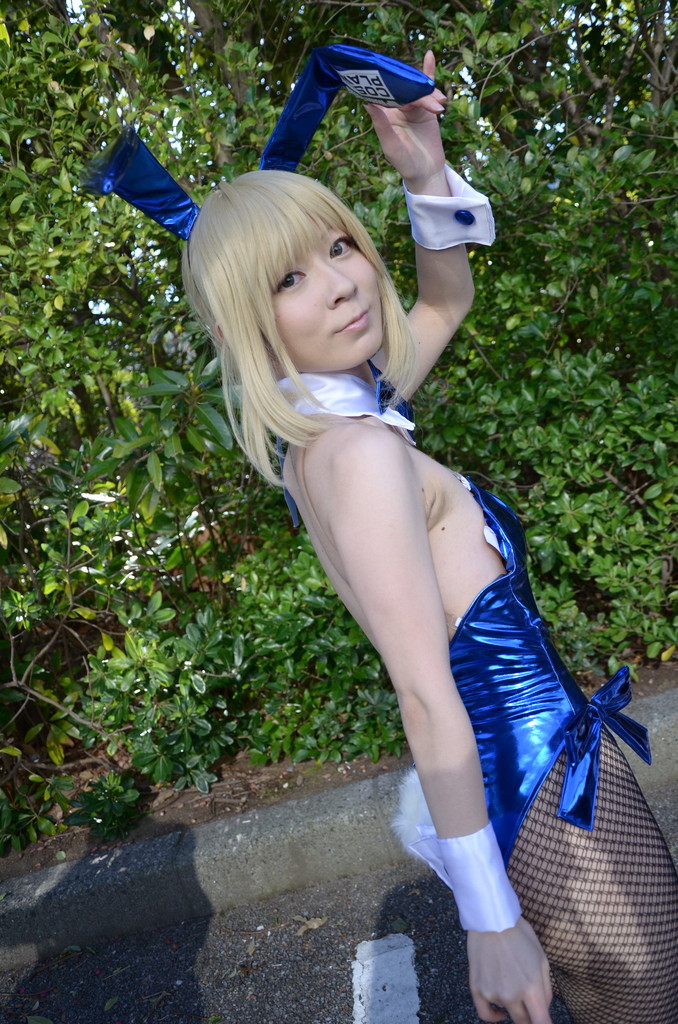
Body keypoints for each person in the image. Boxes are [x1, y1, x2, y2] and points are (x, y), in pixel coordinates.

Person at [180, 51, 678, 1024]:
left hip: (543, 774)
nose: (342, 283)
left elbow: (445, 302)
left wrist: (423, 169)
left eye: (340, 246)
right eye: (290, 277)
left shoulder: (330, 433)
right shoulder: (362, 452)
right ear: (245, 325)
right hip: (539, 791)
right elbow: (423, 690)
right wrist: (492, 923)